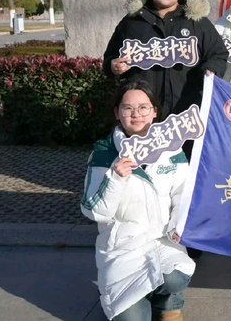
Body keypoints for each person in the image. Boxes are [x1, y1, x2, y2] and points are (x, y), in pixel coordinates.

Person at [81, 79, 195, 321]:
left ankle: (168, 304)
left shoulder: (171, 149)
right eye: (128, 108)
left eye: (144, 107)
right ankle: (137, 297)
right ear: (117, 113)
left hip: (162, 241)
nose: (136, 114)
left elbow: (183, 194)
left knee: (176, 277)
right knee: (133, 319)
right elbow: (94, 211)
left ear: (154, 112)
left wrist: (177, 226)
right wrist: (115, 178)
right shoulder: (103, 154)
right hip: (123, 249)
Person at [103, 0, 228, 119]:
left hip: (188, 112)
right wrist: (113, 67)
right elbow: (110, 59)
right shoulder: (132, 23)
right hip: (143, 116)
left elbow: (218, 54)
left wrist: (211, 70)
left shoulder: (196, 23)